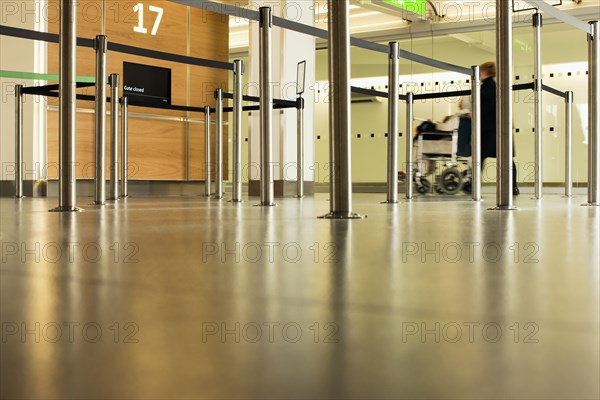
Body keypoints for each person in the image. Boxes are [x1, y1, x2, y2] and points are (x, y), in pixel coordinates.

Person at [479, 61, 520, 195]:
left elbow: (484, 109)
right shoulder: (496, 86)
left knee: (481, 155)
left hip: (490, 129)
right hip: (502, 127)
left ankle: (473, 184)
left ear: (485, 72)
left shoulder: (486, 87)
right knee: (507, 158)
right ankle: (513, 186)